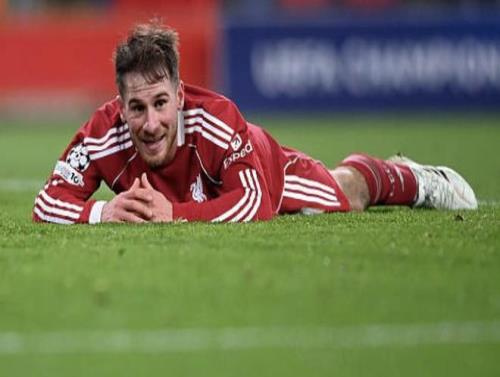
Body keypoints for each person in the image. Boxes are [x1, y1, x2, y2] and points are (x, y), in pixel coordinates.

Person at [32, 22, 478, 225]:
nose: (150, 123)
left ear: (180, 96)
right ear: (120, 104)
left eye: (161, 104)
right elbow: (47, 202)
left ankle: (412, 179)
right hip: (201, 198)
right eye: (137, 108)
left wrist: (174, 215)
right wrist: (103, 212)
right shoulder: (102, 133)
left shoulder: (217, 120)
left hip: (265, 170)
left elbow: (255, 203)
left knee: (344, 196)